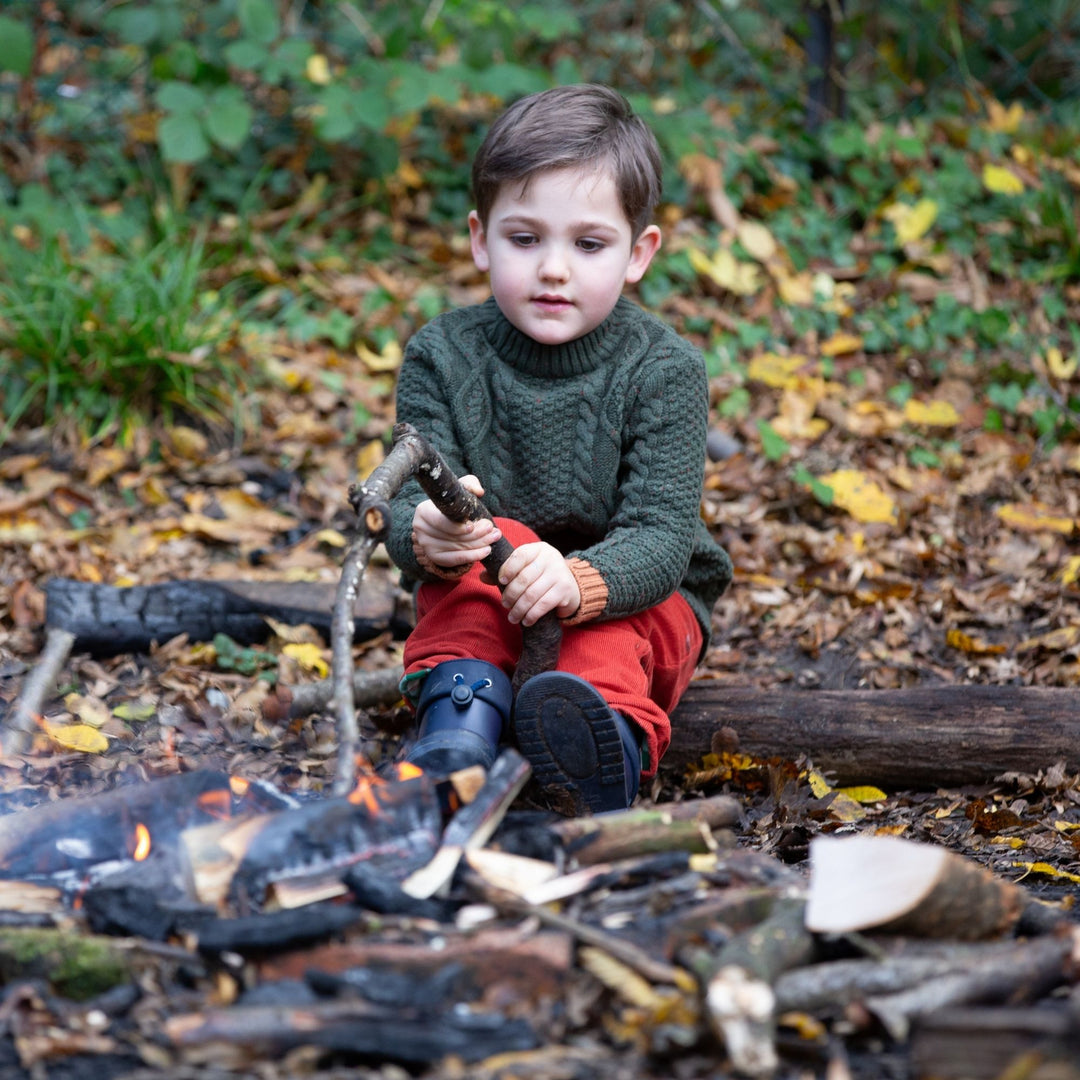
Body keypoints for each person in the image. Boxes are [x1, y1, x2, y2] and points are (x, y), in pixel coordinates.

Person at [385, 83, 732, 814]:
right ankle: (460, 723)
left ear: (638, 254)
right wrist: (424, 530)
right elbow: (413, 493)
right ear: (481, 238)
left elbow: (663, 538)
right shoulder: (441, 357)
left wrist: (579, 581)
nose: (553, 268)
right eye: (525, 238)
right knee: (486, 542)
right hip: (496, 601)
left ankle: (601, 746)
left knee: (603, 635)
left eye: (588, 244)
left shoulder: (664, 371)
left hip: (635, 601)